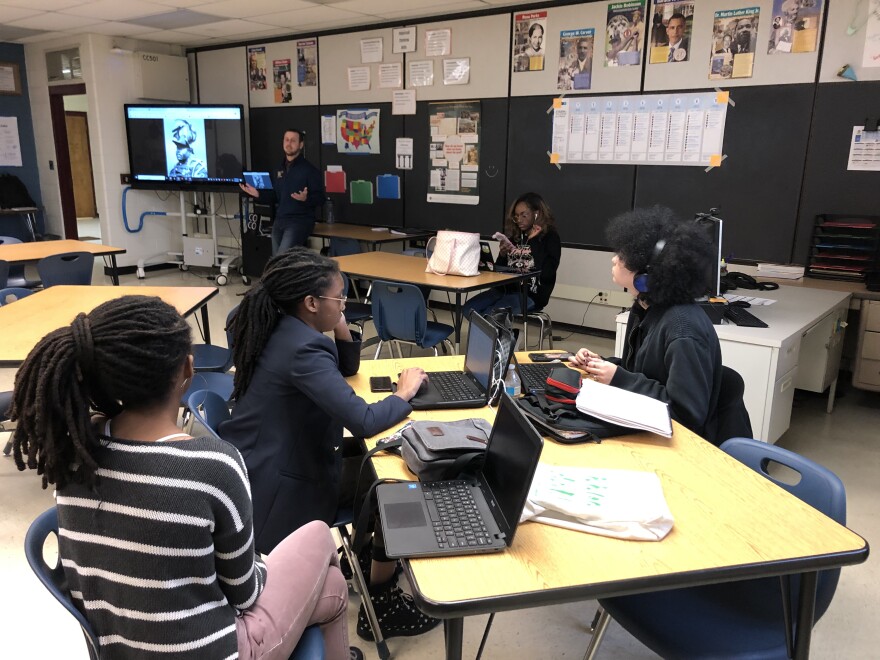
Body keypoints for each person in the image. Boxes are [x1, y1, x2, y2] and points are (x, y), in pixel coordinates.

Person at [9, 295, 360, 660]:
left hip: (121, 647)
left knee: (331, 586)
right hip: (214, 651)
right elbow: (245, 593)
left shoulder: (73, 452)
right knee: (319, 534)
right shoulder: (212, 465)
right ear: (188, 371)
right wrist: (260, 563)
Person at [219, 248, 440, 642]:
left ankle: (368, 558)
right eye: (339, 298)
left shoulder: (275, 325)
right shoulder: (303, 349)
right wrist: (404, 394)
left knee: (379, 464)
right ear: (310, 303)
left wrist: (338, 325)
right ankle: (382, 601)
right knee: (396, 485)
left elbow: (344, 371)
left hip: (261, 461)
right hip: (285, 488)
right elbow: (363, 420)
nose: (345, 305)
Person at [569, 207, 726, 443]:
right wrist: (602, 365)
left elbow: (686, 416)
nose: (614, 259)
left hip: (681, 443)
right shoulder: (646, 306)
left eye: (622, 256)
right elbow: (643, 372)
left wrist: (619, 378)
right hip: (645, 426)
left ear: (646, 275)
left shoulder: (683, 330)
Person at [463, 192, 561, 317]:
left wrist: (533, 241)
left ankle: (504, 335)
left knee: (492, 315)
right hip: (504, 290)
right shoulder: (515, 236)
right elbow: (498, 271)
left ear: (537, 214)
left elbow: (547, 273)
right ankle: (507, 334)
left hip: (530, 294)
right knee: (468, 309)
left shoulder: (550, 237)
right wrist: (503, 254)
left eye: (523, 215)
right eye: (516, 216)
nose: (519, 220)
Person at [240, 128, 324, 254]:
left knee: (282, 258)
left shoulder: (309, 170)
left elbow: (320, 198)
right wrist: (258, 194)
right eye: (286, 140)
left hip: (298, 222)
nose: (289, 143)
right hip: (280, 220)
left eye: (293, 141)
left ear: (301, 145)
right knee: (277, 261)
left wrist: (306, 199)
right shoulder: (279, 168)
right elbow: (275, 195)